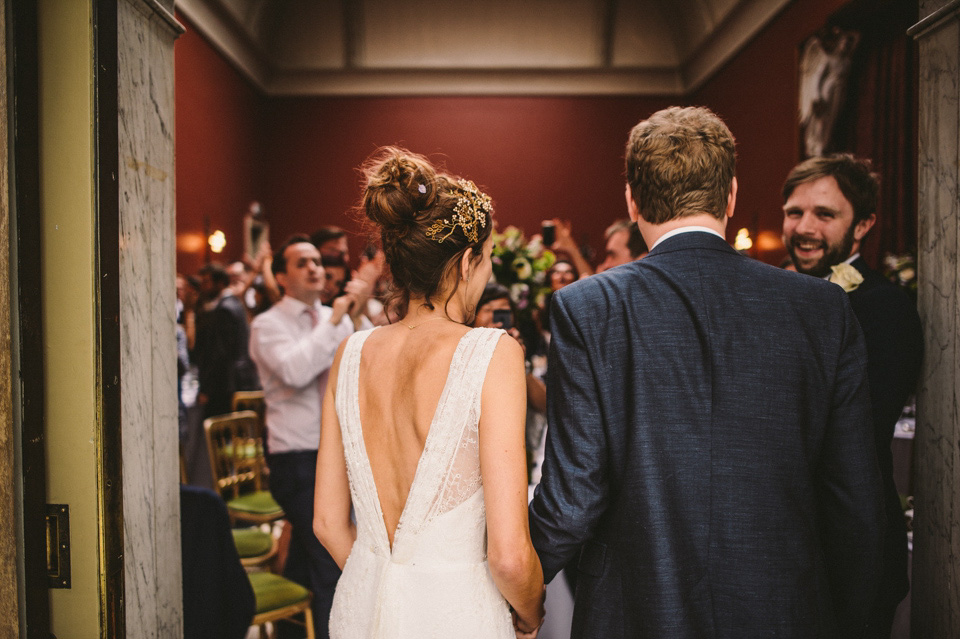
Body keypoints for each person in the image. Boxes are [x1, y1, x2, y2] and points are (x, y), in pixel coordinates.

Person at [528, 106, 885, 638]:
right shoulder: (822, 308)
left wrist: (518, 590)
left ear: (631, 199)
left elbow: (573, 495)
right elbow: (855, 499)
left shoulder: (588, 307)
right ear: (732, 194)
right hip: (784, 611)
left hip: (636, 612)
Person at [313, 147, 544, 638]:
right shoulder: (492, 353)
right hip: (455, 614)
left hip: (361, 608)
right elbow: (508, 554)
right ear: (464, 264)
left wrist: (376, 578)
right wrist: (531, 613)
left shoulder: (349, 354)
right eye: (485, 262)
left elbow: (328, 524)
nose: (485, 276)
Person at [782, 153, 923, 637]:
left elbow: (862, 428)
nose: (804, 227)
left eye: (825, 214)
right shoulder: (767, 294)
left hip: (847, 547)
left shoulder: (886, 309)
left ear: (863, 225)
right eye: (794, 212)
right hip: (775, 546)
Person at [248, 235, 373, 638]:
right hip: (298, 459)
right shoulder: (268, 325)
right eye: (302, 262)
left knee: (307, 558)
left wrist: (357, 314)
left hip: (340, 453)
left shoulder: (336, 314)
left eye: (318, 261)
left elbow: (372, 359)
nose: (315, 268)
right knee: (331, 563)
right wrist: (336, 321)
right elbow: (296, 370)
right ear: (281, 276)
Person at [194, 262, 259, 418]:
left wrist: (206, 389)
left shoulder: (225, 309)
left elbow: (220, 353)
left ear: (220, 283)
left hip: (227, 385)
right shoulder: (232, 304)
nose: (202, 287)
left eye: (206, 282)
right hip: (233, 381)